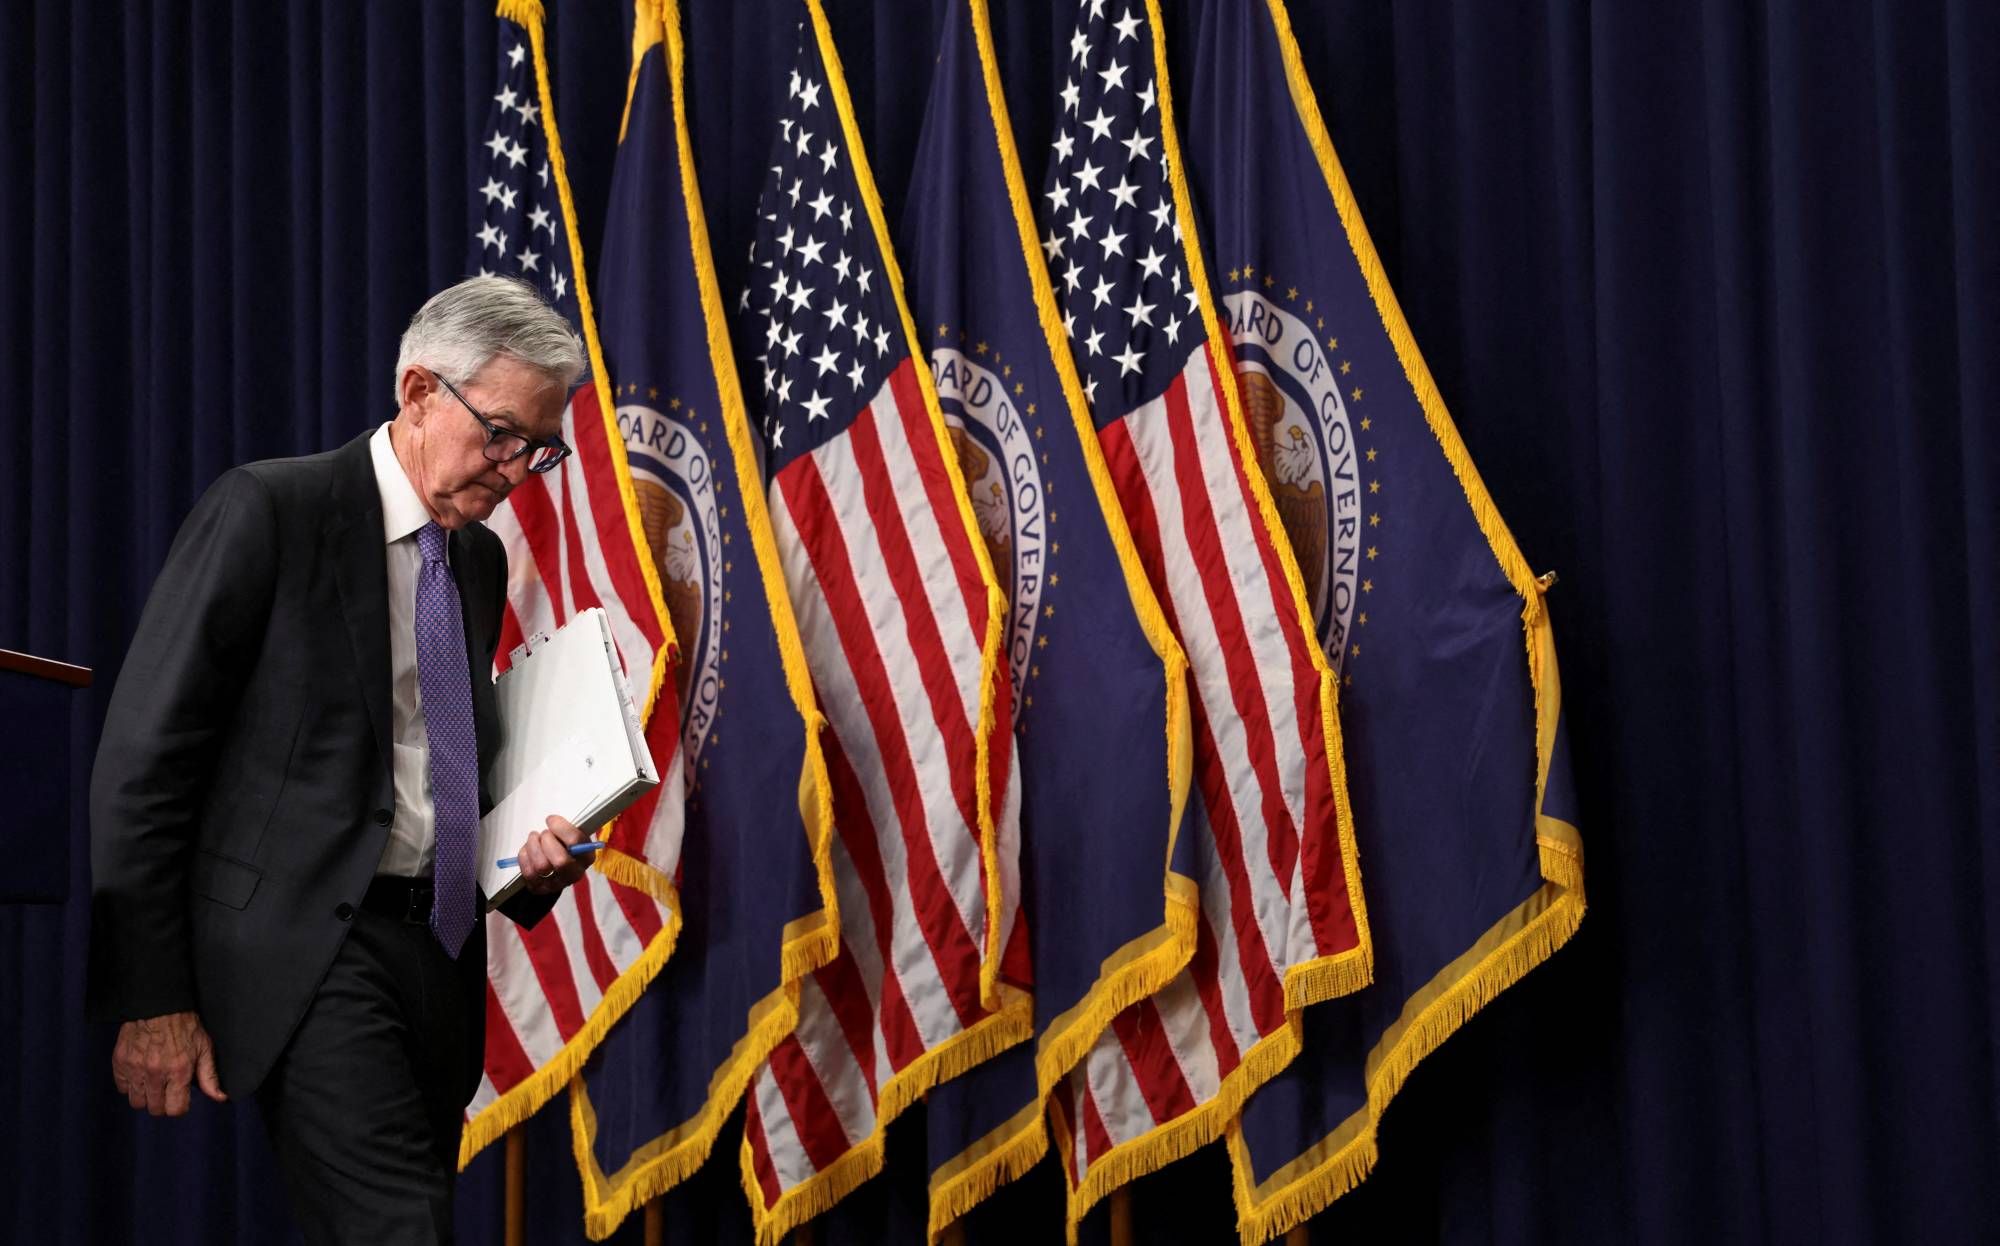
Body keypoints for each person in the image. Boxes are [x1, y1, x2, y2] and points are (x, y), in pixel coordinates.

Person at [87, 276, 594, 1243]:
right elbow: (144, 764)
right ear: (418, 392)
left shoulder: (476, 560)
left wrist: (528, 867)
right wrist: (152, 995)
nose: (517, 470)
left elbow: (444, 771)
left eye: (540, 448)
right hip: (314, 951)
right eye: (500, 434)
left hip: (439, 956)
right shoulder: (272, 510)